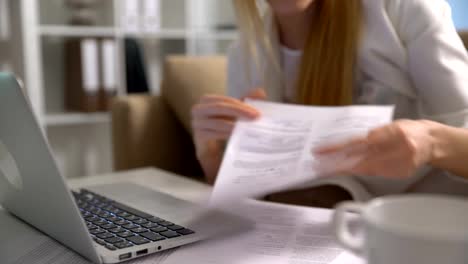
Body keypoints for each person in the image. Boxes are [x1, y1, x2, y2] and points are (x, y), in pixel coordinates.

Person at [191, 0, 468, 202]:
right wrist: (212, 156)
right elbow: (245, 198)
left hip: (422, 225)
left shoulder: (401, 9)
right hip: (315, 234)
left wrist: (431, 142)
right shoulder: (246, 54)